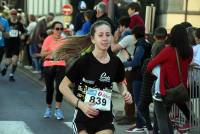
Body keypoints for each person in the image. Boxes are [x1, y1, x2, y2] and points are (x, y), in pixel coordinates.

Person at [59, 20, 133, 134]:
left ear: (112, 37)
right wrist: (81, 105)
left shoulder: (115, 62)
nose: (105, 38)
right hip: (83, 116)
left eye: (108, 35)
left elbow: (120, 81)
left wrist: (125, 92)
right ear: (93, 39)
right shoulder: (83, 61)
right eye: (100, 35)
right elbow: (63, 86)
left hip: (104, 117)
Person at [147, 24, 193, 134]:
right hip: (180, 89)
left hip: (165, 89)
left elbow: (150, 65)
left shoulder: (169, 50)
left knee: (162, 118)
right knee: (163, 116)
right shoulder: (189, 51)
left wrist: (161, 67)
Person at [123, 25, 152, 133]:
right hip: (144, 74)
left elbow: (136, 62)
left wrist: (123, 63)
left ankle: (143, 124)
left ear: (134, 34)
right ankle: (141, 124)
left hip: (137, 75)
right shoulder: (147, 43)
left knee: (139, 101)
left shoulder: (140, 45)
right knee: (141, 101)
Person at [40, 21, 66, 120]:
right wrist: (53, 51)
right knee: (50, 88)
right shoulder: (48, 39)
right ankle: (48, 108)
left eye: (61, 29)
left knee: (60, 87)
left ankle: (58, 109)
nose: (59, 31)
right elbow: (42, 54)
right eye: (57, 29)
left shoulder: (64, 40)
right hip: (49, 64)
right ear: (53, 30)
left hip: (60, 64)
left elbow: (67, 54)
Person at [1, 9, 26, 82]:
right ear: (10, 14)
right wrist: (5, 34)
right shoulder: (6, 22)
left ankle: (11, 75)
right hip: (8, 44)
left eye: (15, 14)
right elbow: (2, 31)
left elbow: (24, 32)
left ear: (16, 15)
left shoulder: (19, 24)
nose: (13, 15)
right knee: (8, 61)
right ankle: (5, 68)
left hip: (16, 44)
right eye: (12, 13)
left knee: (14, 61)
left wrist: (23, 35)